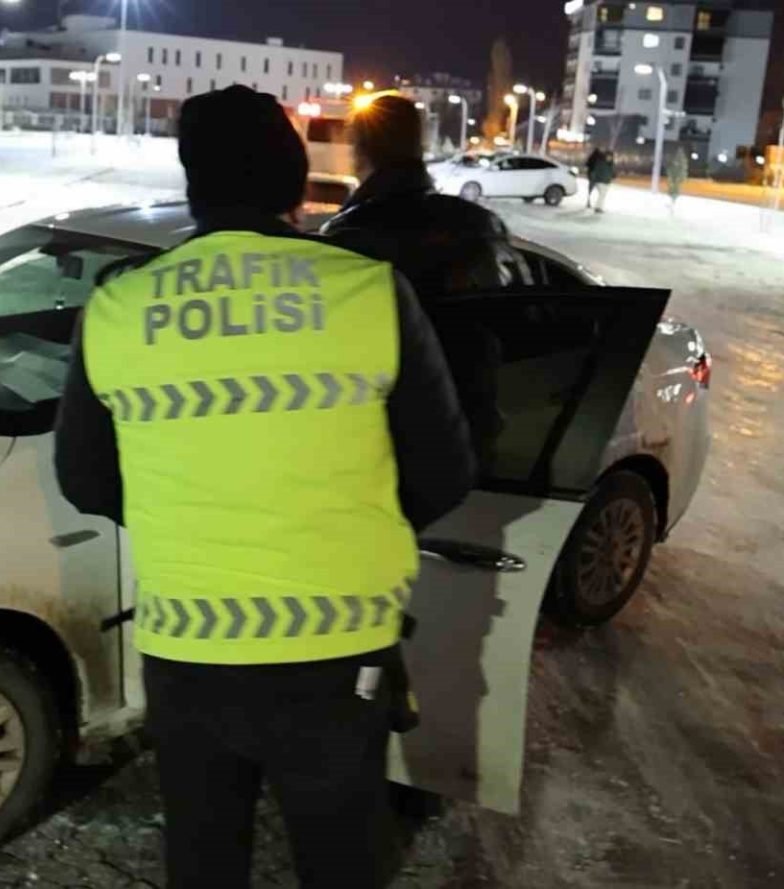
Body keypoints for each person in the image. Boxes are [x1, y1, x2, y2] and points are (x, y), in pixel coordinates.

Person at [54, 86, 476, 888]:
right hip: (338, 649)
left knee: (203, 855)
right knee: (341, 856)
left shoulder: (117, 306)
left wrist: (190, 512)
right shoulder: (367, 291)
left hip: (188, 647)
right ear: (294, 180)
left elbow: (83, 478)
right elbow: (446, 470)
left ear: (193, 183)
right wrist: (347, 517)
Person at [321, 94, 517, 471]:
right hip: (469, 434)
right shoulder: (479, 226)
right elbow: (512, 323)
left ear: (360, 150)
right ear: (420, 145)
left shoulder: (346, 236)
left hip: (380, 440)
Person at [587, 147, 616, 212]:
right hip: (599, 181)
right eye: (608, 156)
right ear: (605, 156)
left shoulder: (611, 164)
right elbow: (595, 171)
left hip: (607, 181)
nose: (609, 158)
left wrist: (614, 175)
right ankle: (598, 207)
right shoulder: (600, 163)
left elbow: (612, 172)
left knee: (603, 195)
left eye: (611, 156)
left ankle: (599, 207)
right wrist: (593, 179)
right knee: (602, 194)